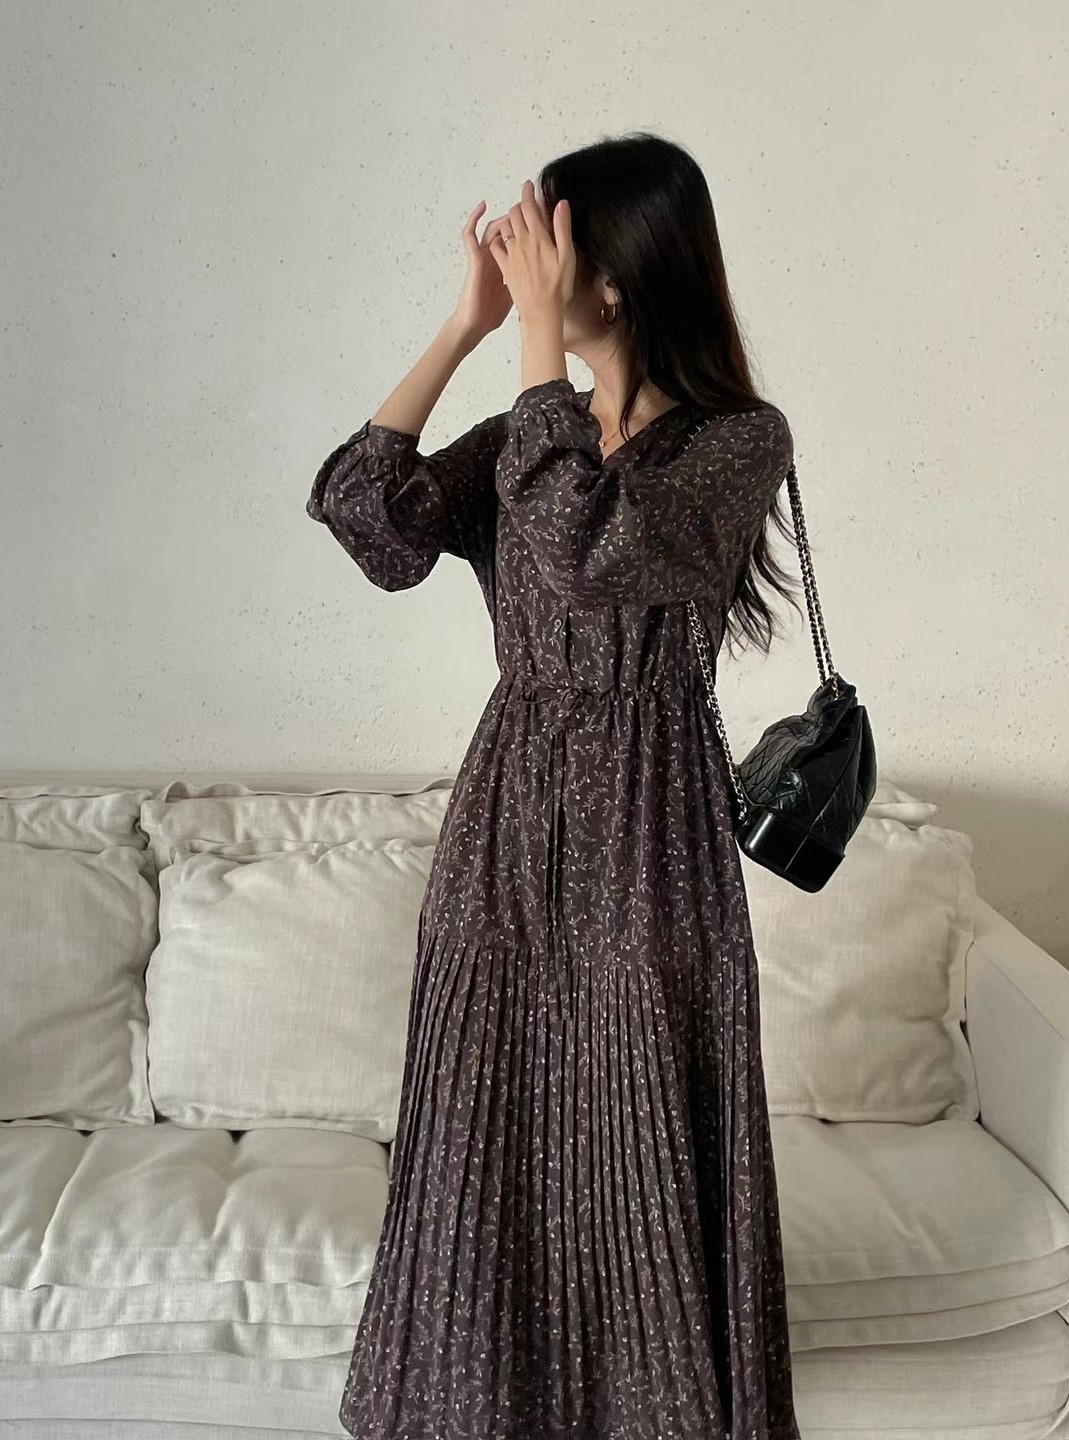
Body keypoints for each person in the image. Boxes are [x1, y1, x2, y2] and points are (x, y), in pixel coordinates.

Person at [307, 130, 803, 1440]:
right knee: (493, 1119)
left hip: (653, 828)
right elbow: (372, 522)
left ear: (616, 275)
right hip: (508, 816)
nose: (526, 262)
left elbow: (585, 549)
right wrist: (468, 325)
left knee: (636, 1115)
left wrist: (533, 346)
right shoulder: (536, 427)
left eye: (548, 244)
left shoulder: (736, 442)